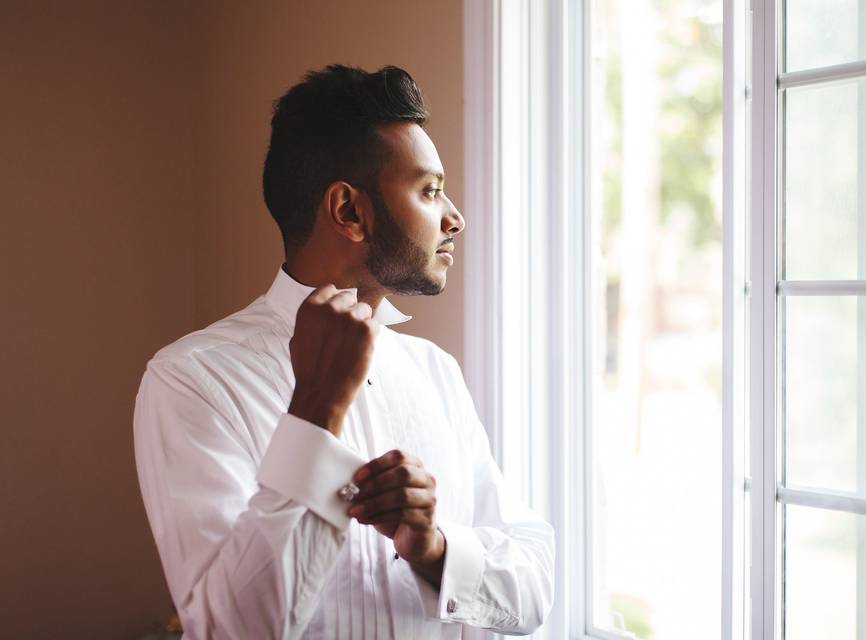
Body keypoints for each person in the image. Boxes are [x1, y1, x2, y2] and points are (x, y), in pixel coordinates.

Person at [133, 65, 555, 639]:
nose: (455, 218)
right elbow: (230, 629)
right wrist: (317, 410)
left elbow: (532, 592)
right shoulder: (193, 380)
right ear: (349, 211)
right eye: (430, 191)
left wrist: (434, 549)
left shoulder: (436, 373)